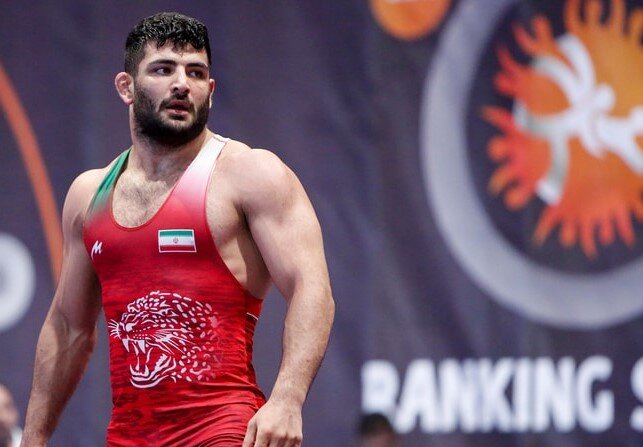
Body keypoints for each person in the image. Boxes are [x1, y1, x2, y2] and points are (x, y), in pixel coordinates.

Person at [20, 11, 334, 447]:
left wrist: (287, 399)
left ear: (211, 90)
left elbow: (311, 288)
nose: (182, 84)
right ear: (126, 87)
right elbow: (68, 327)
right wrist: (32, 439)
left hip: (224, 430)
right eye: (163, 70)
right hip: (128, 436)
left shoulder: (250, 174)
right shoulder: (89, 195)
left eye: (196, 72)